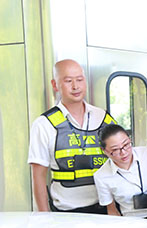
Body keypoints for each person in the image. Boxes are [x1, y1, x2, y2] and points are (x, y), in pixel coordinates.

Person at [27, 59, 117, 213]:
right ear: (55, 85)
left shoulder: (103, 118)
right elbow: (38, 176)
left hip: (105, 210)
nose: (75, 86)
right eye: (68, 81)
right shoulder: (44, 124)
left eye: (80, 80)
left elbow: (121, 160)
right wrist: (44, 217)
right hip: (67, 213)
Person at [93, 125, 147, 220]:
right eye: (115, 150)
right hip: (132, 221)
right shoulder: (101, 176)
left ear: (130, 139)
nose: (123, 153)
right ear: (104, 151)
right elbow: (112, 210)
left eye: (126, 145)